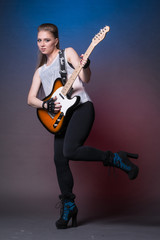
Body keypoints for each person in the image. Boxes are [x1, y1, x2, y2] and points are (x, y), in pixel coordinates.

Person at [27, 23, 139, 229]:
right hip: (61, 116)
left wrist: (85, 66)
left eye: (47, 40)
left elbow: (85, 78)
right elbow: (30, 99)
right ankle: (69, 205)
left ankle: (115, 158)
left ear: (56, 41)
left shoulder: (67, 53)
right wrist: (46, 104)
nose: (42, 44)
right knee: (59, 160)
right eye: (39, 40)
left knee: (69, 150)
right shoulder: (40, 71)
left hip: (81, 108)